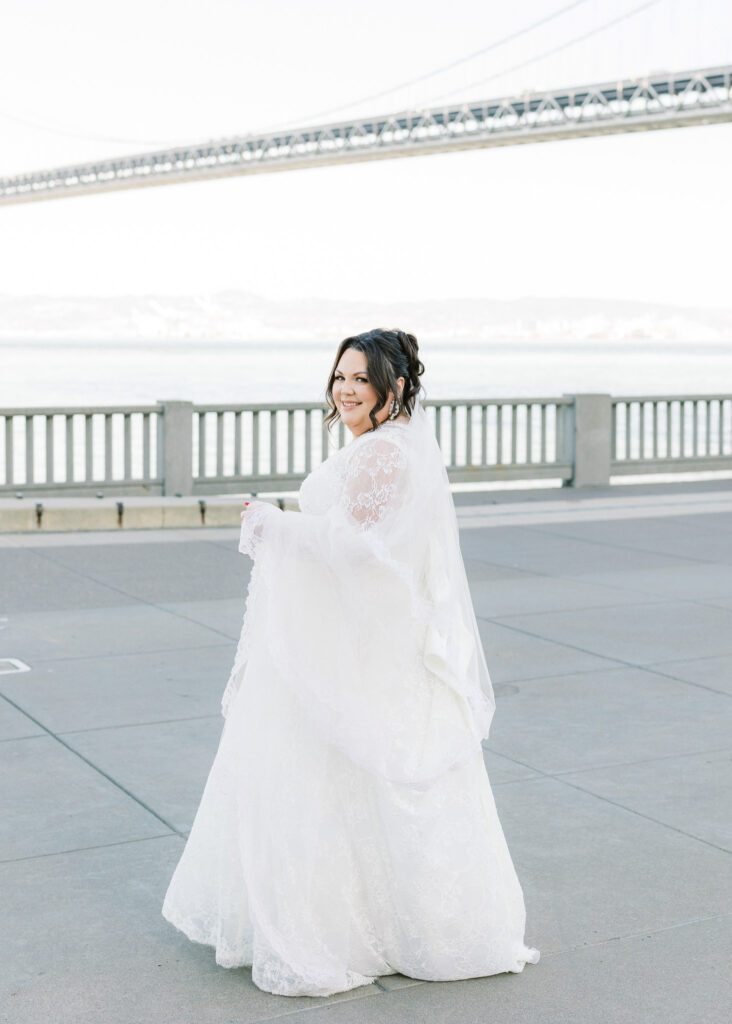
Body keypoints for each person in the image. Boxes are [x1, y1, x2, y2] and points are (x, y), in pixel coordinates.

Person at [161, 328, 539, 998]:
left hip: (364, 650)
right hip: (363, 639)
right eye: (339, 376)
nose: (345, 388)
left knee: (347, 775)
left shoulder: (382, 456)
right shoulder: (384, 449)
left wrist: (274, 524)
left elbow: (357, 550)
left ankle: (358, 926)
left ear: (393, 387)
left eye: (360, 378)